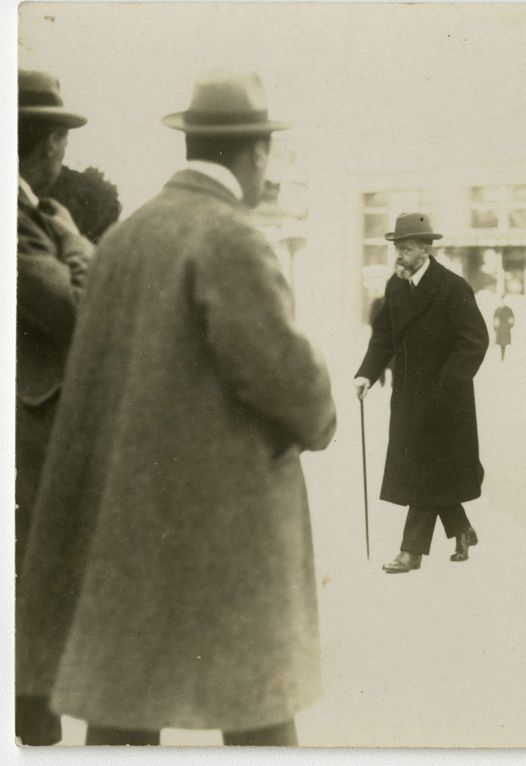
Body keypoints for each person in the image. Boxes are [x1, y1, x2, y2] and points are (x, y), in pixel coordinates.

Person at [16, 70, 337, 746]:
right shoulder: (236, 237)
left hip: (125, 528)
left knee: (124, 708)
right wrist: (321, 418)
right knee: (257, 711)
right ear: (255, 154)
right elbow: (292, 385)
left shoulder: (124, 238)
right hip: (228, 532)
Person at [14, 67, 94, 747]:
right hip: (28, 426)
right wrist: (71, 237)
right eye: (60, 140)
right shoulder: (24, 218)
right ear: (47, 147)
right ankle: (31, 728)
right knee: (34, 577)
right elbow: (72, 311)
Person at [354, 213, 489, 574]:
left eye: (407, 248)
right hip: (408, 395)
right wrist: (366, 373)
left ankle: (410, 551)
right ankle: (461, 529)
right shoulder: (396, 287)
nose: (399, 254)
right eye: (397, 247)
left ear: (426, 250)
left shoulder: (452, 287)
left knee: (424, 471)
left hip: (447, 398)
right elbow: (383, 335)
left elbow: (474, 343)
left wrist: (447, 386)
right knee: (429, 469)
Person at [493, 295, 515, 361]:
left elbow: (512, 319)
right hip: (500, 329)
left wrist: (510, 326)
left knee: (505, 344)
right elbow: (495, 320)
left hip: (505, 329)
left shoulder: (508, 309)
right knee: (500, 344)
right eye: (501, 300)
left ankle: (504, 358)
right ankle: (501, 358)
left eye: (503, 300)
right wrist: (495, 328)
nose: (502, 302)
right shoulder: (497, 310)